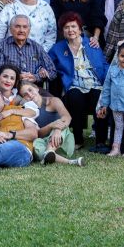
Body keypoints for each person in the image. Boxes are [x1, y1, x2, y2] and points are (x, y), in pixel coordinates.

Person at [47, 12, 109, 151]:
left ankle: (100, 141)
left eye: (73, 26)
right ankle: (78, 138)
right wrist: (42, 71)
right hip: (74, 84)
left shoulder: (92, 43)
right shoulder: (58, 48)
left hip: (95, 83)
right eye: (66, 27)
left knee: (98, 99)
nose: (70, 30)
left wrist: (108, 83)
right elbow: (47, 63)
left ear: (80, 29)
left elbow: (103, 64)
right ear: (62, 31)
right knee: (75, 97)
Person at [19, 81, 84, 167]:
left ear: (37, 89)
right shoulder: (28, 110)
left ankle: (49, 151)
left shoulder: (53, 101)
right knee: (35, 145)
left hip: (62, 141)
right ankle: (67, 161)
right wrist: (51, 126)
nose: (29, 95)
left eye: (30, 90)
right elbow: (37, 134)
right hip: (44, 143)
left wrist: (57, 129)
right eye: (25, 94)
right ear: (23, 98)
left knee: (63, 127)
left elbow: (67, 117)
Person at [0, 14, 57, 84]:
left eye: (25, 27)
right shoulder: (1, 46)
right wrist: (15, 77)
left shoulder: (36, 47)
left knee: (52, 95)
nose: (21, 30)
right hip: (9, 88)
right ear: (11, 29)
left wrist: (36, 77)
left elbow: (52, 71)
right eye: (17, 26)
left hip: (33, 88)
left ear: (29, 30)